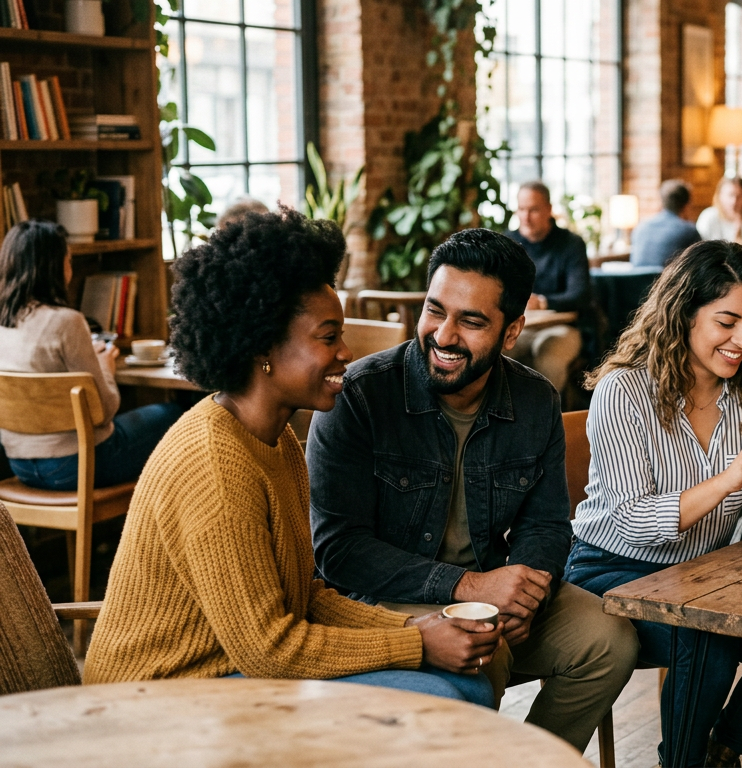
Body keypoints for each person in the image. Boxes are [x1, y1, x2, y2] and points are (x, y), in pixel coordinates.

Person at [83, 209, 496, 706]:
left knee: (464, 683)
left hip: (227, 674)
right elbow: (270, 651)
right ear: (263, 346)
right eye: (328, 337)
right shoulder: (217, 465)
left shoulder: (277, 442)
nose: (346, 352)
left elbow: (305, 599)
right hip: (153, 699)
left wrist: (416, 625)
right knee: (441, 697)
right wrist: (415, 642)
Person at [307, 228, 638, 750]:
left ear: (511, 332)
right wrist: (470, 590)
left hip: (491, 594)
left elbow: (546, 525)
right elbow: (338, 551)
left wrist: (527, 596)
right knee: (485, 643)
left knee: (610, 638)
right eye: (435, 310)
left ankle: (532, 762)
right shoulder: (361, 396)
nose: (443, 334)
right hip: (380, 603)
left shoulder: (535, 400)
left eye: (472, 321)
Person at [564, 240, 742, 767]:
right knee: (707, 633)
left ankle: (721, 751)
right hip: (610, 572)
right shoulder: (625, 390)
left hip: (700, 576)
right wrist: (729, 479)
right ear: (683, 314)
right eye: (726, 322)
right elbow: (631, 520)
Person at [0, 220, 180, 491]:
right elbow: (104, 410)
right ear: (55, 267)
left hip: (21, 466)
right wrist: (104, 366)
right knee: (177, 414)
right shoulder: (66, 322)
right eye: (68, 259)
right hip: (77, 466)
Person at [503, 180, 591, 393]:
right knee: (494, 355)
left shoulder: (571, 243)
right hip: (519, 327)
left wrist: (542, 303)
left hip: (563, 327)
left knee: (548, 360)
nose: (526, 217)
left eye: (533, 210)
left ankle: (546, 423)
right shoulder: (507, 243)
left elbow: (580, 294)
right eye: (521, 209)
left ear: (549, 210)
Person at [630, 179, 702, 267]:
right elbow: (700, 265)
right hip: (667, 280)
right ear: (687, 205)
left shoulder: (640, 228)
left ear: (661, 202)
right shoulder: (688, 231)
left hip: (636, 280)